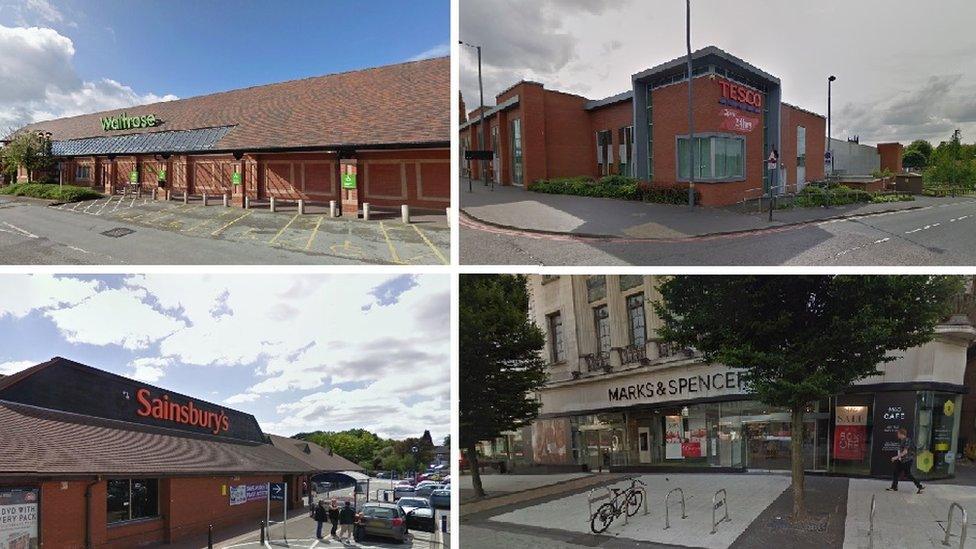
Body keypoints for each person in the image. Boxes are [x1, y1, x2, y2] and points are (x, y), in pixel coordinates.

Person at [887, 427, 924, 494]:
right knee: (896, 472)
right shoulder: (903, 440)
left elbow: (905, 452)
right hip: (902, 460)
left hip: (907, 460)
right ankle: (894, 487)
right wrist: (899, 458)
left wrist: (896, 457)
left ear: (901, 434)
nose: (897, 435)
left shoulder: (907, 440)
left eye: (898, 434)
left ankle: (920, 486)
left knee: (908, 474)